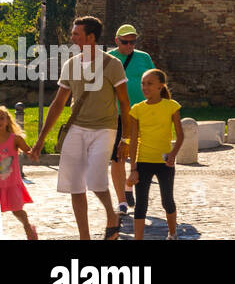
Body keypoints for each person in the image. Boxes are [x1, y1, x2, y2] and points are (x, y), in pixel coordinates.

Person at [31, 15, 132, 240]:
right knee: (75, 185)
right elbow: (58, 104)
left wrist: (125, 138)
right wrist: (40, 140)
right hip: (76, 128)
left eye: (77, 33)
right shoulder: (71, 64)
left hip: (105, 128)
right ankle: (84, 237)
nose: (72, 37)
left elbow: (125, 104)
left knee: (95, 179)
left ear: (91, 37)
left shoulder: (112, 64)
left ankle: (111, 216)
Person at [126, 68, 184, 240]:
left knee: (167, 201)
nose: (145, 87)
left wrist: (173, 154)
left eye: (150, 84)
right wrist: (133, 168)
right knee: (140, 205)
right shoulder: (136, 109)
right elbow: (134, 140)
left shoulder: (171, 106)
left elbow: (180, 135)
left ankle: (172, 234)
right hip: (143, 162)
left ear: (161, 86)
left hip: (164, 163)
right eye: (143, 83)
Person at [106, 24, 153, 224]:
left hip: (141, 113)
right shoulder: (108, 59)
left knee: (141, 156)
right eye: (125, 42)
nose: (129, 45)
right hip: (115, 114)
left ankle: (129, 184)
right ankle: (122, 201)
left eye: (133, 41)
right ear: (117, 41)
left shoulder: (144, 57)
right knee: (118, 156)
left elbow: (155, 82)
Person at [0, 105, 37, 239]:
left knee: (17, 210)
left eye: (1, 118)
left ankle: (27, 226)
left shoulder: (15, 139)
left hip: (11, 183)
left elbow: (28, 151)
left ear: (7, 120)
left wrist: (33, 153)